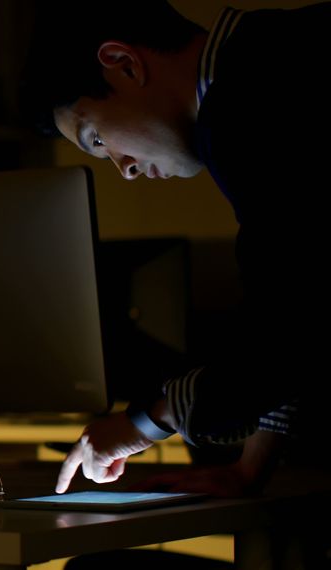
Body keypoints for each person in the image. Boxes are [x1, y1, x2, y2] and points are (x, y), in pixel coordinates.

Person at [20, 0, 331, 500]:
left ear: (124, 62)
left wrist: (144, 422)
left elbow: (286, 332)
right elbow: (304, 305)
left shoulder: (253, 100)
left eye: (97, 138)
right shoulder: (269, 60)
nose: (122, 167)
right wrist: (250, 468)